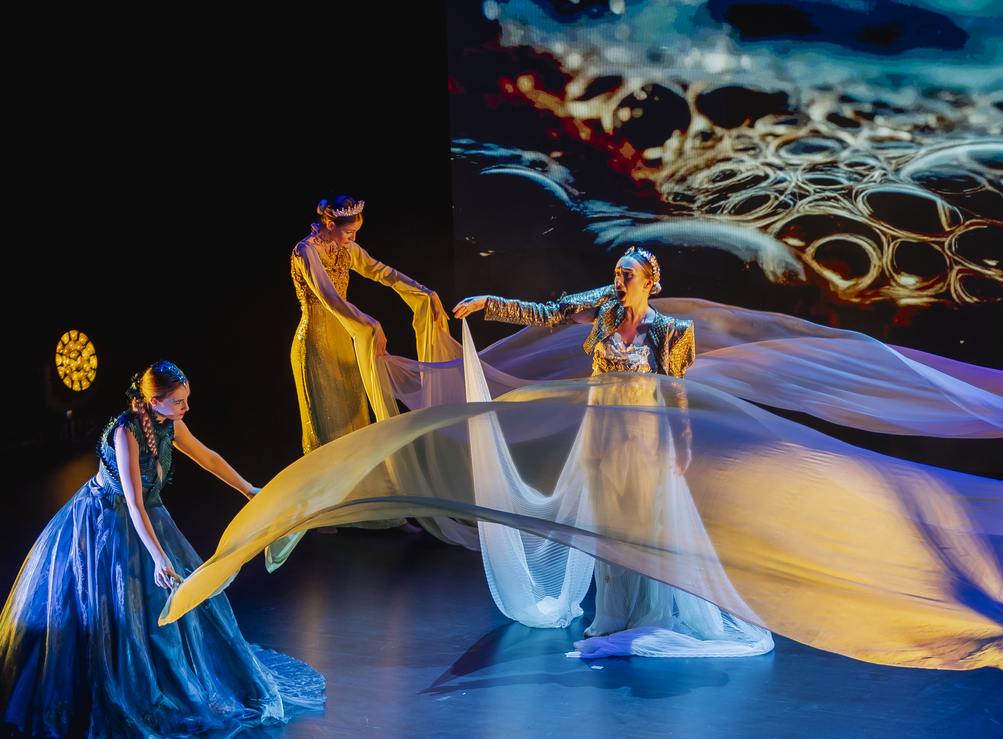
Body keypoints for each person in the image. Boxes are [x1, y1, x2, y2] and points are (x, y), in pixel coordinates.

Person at [455, 247, 773, 657]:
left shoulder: (671, 330)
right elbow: (549, 313)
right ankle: (612, 613)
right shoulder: (605, 307)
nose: (619, 282)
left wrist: (683, 442)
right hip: (602, 432)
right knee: (607, 525)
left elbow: (675, 391)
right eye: (617, 274)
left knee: (642, 524)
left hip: (644, 437)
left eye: (628, 276)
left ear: (650, 283)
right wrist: (489, 303)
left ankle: (647, 614)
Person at [0, 362, 324, 739]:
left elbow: (207, 457)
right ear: (154, 402)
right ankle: (122, 685)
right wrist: (157, 557)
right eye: (179, 402)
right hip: (107, 519)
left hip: (146, 514)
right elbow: (133, 504)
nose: (186, 408)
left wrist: (247, 489)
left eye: (186, 400)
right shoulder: (126, 433)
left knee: (175, 603)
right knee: (115, 607)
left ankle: (169, 676)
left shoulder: (170, 424)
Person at [288, 195, 448, 543]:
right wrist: (369, 321)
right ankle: (322, 512)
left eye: (356, 233)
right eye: (348, 232)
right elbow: (328, 296)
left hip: (346, 340)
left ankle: (382, 512)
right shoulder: (306, 251)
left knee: (358, 425)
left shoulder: (346, 248)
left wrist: (424, 292)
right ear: (331, 224)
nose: (353, 239)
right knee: (326, 428)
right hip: (315, 345)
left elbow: (381, 271)